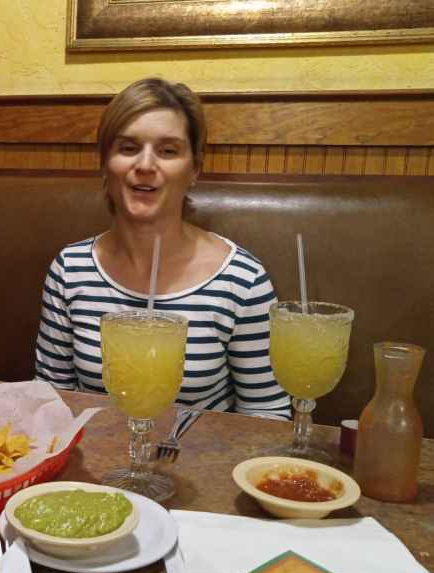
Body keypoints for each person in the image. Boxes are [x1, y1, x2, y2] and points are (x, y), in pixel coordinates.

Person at [34, 77, 291, 420]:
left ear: (194, 169)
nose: (145, 165)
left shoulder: (242, 280)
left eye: (168, 151)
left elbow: (267, 412)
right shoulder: (70, 269)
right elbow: (50, 398)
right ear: (105, 163)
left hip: (197, 466)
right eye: (127, 147)